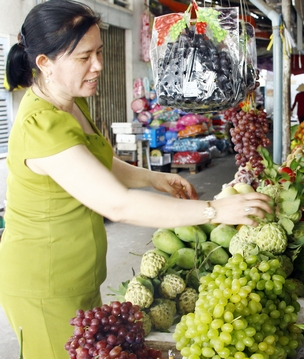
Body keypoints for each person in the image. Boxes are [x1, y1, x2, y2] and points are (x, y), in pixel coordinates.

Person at [0, 1, 272, 358]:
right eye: (84, 58)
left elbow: (98, 162)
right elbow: (117, 203)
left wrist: (152, 178)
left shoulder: (69, 104)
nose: (98, 65)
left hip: (78, 272)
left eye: (98, 52)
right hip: (44, 282)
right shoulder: (42, 125)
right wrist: (214, 211)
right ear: (44, 64)